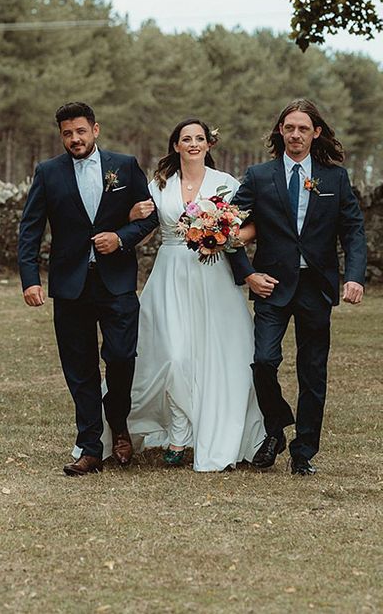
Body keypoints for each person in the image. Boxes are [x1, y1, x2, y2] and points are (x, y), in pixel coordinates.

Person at [18, 101, 158, 476]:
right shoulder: (48, 172)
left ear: (95, 129)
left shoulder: (125, 166)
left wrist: (121, 237)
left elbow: (149, 216)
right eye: (67, 133)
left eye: (81, 131)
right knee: (79, 369)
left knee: (121, 358)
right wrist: (30, 279)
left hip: (117, 283)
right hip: (69, 285)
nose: (75, 139)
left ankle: (120, 424)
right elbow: (30, 228)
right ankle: (91, 447)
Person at [228, 99, 367, 476]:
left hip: (316, 287)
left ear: (315, 132)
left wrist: (353, 275)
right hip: (271, 286)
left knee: (313, 371)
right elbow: (227, 231)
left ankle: (303, 451)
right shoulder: (258, 176)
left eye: (303, 128)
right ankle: (275, 429)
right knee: (263, 361)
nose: (295, 135)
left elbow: (353, 230)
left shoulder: (334, 178)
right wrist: (248, 275)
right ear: (280, 131)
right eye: (289, 128)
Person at [123, 119, 264, 471]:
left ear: (209, 145)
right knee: (173, 355)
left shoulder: (226, 185)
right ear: (176, 146)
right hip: (170, 273)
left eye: (199, 138)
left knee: (215, 354)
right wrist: (128, 215)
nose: (193, 143)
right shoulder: (159, 185)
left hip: (213, 273)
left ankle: (202, 431)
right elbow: (141, 225)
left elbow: (249, 224)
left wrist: (226, 236)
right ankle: (177, 431)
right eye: (186, 139)